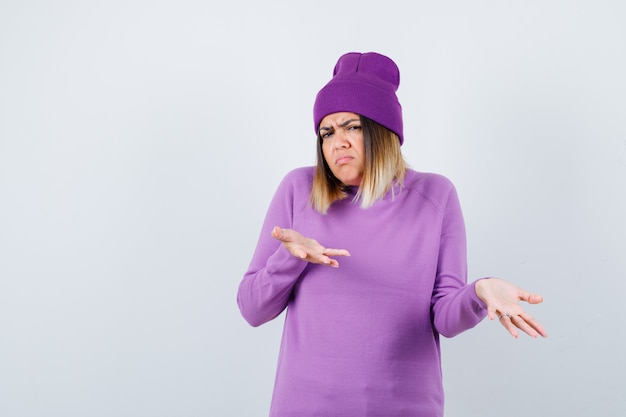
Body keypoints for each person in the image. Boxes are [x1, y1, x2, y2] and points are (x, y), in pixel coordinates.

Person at [237, 51, 547, 417]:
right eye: (327, 132)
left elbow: (445, 318)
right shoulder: (298, 189)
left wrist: (479, 291)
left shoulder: (435, 196)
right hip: (306, 407)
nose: (338, 142)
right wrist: (288, 259)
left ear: (383, 131)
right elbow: (252, 310)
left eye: (352, 126)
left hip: (404, 408)